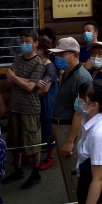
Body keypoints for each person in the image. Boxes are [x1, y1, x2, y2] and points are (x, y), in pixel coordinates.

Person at [49, 37, 93, 204]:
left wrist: (69, 141)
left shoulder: (81, 77)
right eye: (56, 54)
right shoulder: (68, 72)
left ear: (75, 55)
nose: (58, 57)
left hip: (70, 129)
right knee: (69, 173)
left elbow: (80, 112)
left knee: (74, 173)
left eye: (62, 54)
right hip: (61, 126)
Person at [3, 30, 45, 190]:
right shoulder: (18, 58)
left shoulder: (38, 62)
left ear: (35, 44)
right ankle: (18, 169)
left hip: (30, 107)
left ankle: (35, 172)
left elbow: (28, 87)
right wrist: (29, 81)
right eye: (22, 41)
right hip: (14, 105)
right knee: (14, 139)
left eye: (27, 41)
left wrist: (16, 79)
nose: (24, 44)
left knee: (32, 140)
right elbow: (9, 76)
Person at [35, 35, 58, 171]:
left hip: (48, 102)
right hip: (41, 101)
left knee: (49, 128)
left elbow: (45, 89)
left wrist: (31, 98)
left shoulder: (49, 67)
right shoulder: (40, 64)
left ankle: (50, 157)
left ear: (41, 50)